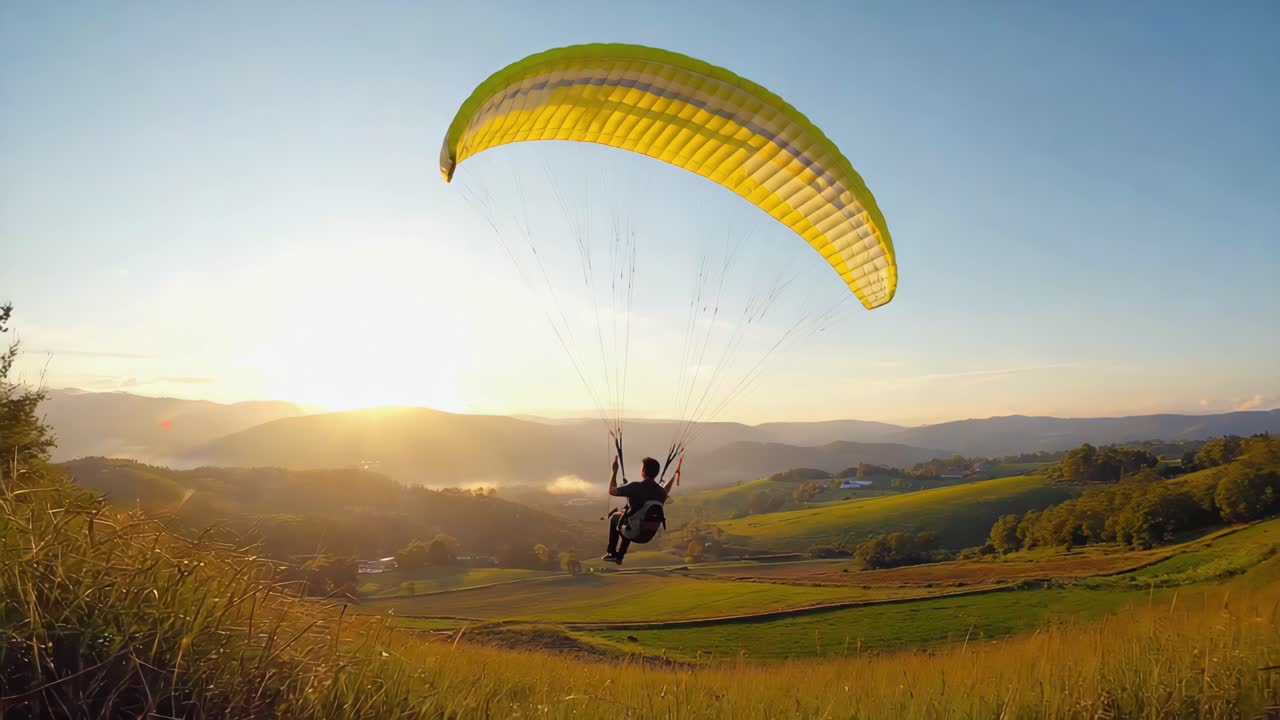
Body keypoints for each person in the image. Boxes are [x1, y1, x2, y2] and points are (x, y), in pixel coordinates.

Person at [603, 456, 676, 565]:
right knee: (628, 514)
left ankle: (612, 553)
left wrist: (614, 471)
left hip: (634, 532)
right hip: (648, 535)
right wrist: (674, 477)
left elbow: (612, 491)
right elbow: (665, 490)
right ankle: (619, 557)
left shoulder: (636, 487)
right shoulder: (661, 493)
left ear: (643, 471)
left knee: (616, 517)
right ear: (656, 473)